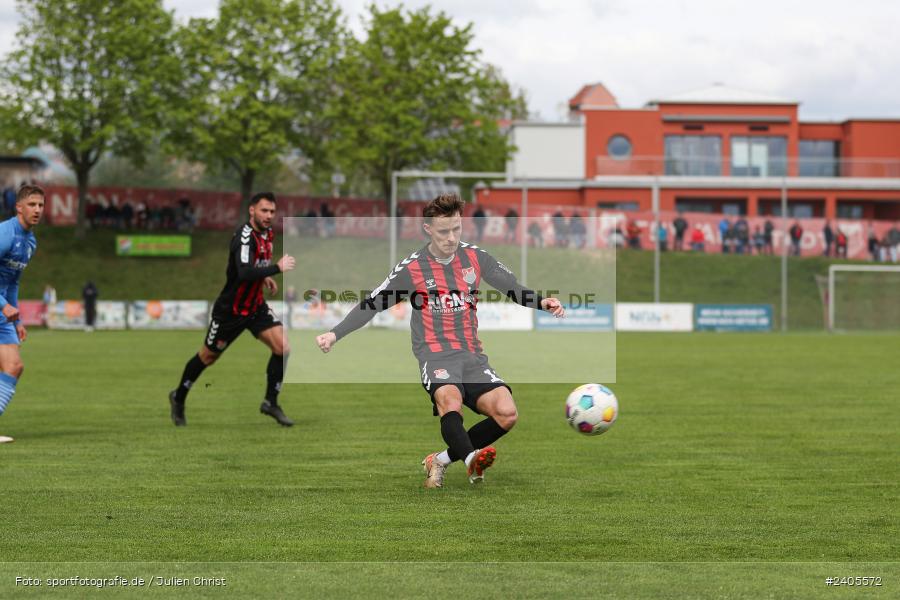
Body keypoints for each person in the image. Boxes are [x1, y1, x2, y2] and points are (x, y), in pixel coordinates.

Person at [315, 193, 564, 488]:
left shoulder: (476, 257)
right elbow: (372, 304)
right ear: (428, 229)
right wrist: (335, 333)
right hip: (435, 355)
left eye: (456, 229)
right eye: (444, 231)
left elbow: (511, 287)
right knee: (451, 402)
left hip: (472, 355)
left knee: (507, 413)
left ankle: (441, 460)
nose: (451, 237)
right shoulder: (411, 268)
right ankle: (472, 460)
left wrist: (541, 302)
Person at [169, 192, 297, 427]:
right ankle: (178, 396)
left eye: (272, 211)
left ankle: (270, 402)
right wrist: (275, 269)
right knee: (207, 357)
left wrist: (265, 278)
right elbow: (244, 272)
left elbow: (255, 267)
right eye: (264, 211)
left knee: (283, 347)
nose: (269, 216)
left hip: (255, 307)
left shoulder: (268, 233)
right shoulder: (244, 237)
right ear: (252, 210)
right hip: (230, 312)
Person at [0, 184, 44, 444]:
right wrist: (3, 305)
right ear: (19, 207)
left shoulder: (31, 242)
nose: (37, 210)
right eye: (31, 204)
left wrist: (18, 321)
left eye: (40, 205)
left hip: (3, 311)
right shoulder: (5, 234)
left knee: (13, 366)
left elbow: (13, 282)